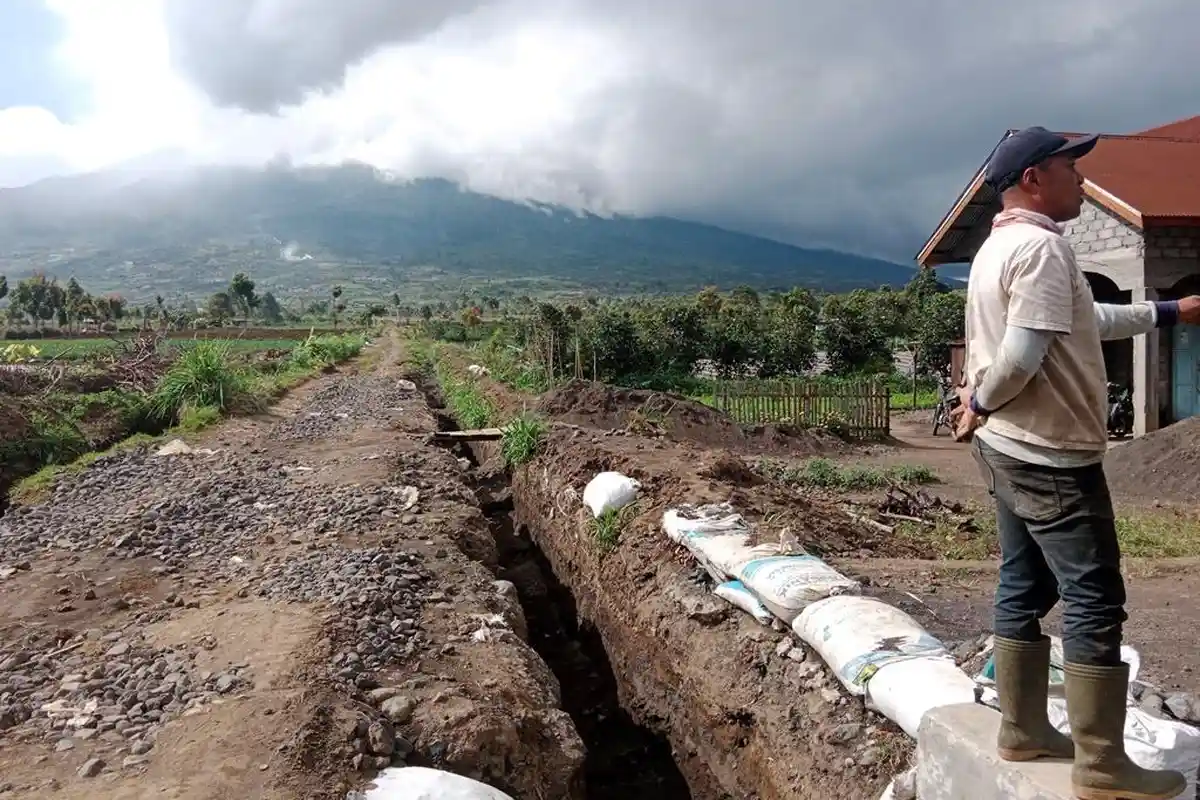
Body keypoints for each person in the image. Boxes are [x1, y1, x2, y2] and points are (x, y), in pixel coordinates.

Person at [953, 125, 1200, 800]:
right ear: (1034, 177)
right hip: (1051, 455)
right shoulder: (1039, 250)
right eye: (1071, 169)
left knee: (1023, 584)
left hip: (1008, 451)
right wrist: (980, 396)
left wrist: (1173, 311)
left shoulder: (999, 247)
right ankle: (1101, 766)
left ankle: (1022, 728)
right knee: (1094, 594)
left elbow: (1086, 322)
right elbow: (1024, 357)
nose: (1083, 182)